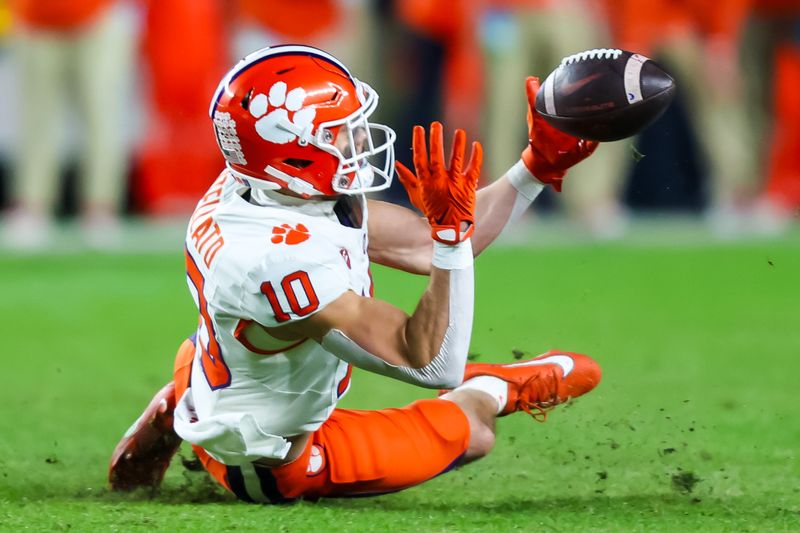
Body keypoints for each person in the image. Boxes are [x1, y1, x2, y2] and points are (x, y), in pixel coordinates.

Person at [108, 44, 602, 503]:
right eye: (339, 130)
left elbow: (430, 244)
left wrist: (535, 167)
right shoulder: (273, 261)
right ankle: (493, 388)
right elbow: (431, 364)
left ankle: (186, 397)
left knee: (231, 349)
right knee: (474, 432)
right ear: (291, 151)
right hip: (268, 456)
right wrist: (450, 241)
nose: (360, 136)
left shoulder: (263, 186)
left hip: (228, 375)